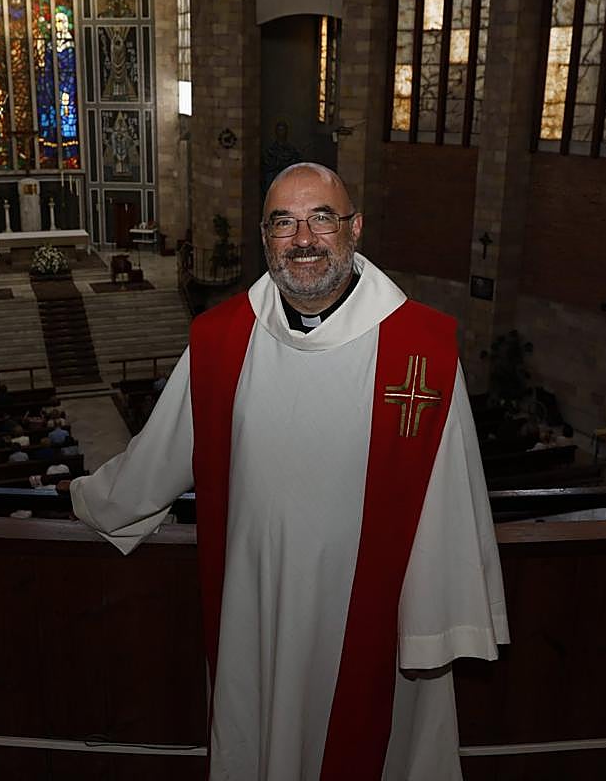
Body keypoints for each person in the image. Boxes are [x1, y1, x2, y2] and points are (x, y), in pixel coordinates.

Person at [70, 163, 508, 780]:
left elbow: (452, 496)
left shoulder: (421, 351)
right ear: (265, 238)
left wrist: (439, 621)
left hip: (373, 622)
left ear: (355, 228)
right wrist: (93, 499)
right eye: (284, 223)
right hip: (258, 609)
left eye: (321, 219)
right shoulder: (221, 339)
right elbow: (161, 452)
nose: (303, 239)